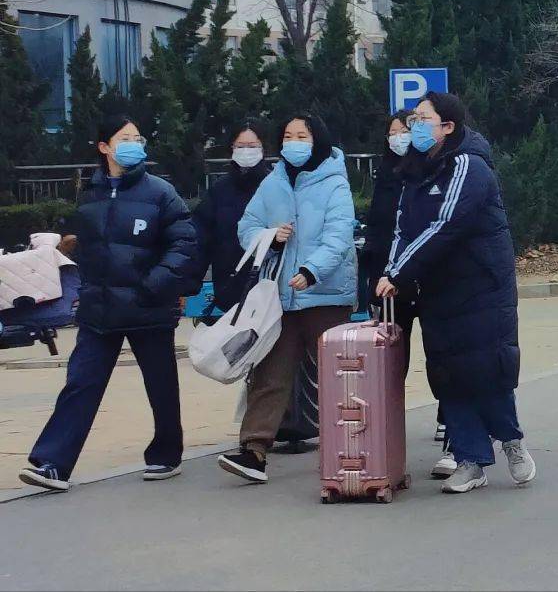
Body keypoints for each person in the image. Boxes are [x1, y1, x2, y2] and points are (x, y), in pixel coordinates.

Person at [20, 116, 199, 492]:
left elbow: (184, 243)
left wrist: (155, 284)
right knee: (81, 383)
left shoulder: (161, 193)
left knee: (161, 384)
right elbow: (86, 247)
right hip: (98, 309)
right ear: (104, 147)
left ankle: (166, 454)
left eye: (137, 138)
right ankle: (53, 462)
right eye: (124, 138)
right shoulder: (90, 195)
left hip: (148, 307)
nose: (133, 144)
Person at [374, 92, 535, 495]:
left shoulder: (469, 166)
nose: (415, 128)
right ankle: (470, 460)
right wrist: (391, 271)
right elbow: (402, 228)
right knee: (449, 374)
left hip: (481, 288)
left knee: (487, 369)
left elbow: (445, 225)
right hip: (439, 290)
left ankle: (511, 440)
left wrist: (399, 270)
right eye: (413, 120)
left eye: (423, 120)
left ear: (448, 127)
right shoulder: (414, 172)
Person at [218, 113, 357, 484]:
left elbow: (339, 236)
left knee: (338, 376)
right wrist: (269, 237)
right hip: (280, 295)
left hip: (325, 295)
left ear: (319, 140)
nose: (294, 142)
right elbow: (246, 226)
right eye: (288, 135)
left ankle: (352, 447)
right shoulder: (272, 183)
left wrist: (312, 270)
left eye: (303, 135)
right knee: (269, 373)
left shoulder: (335, 184)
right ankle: (254, 450)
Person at [364, 111, 457, 480]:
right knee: (390, 360)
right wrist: (375, 276)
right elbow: (377, 231)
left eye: (406, 130)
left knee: (442, 357)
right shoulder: (386, 175)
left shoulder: (437, 171)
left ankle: (451, 424)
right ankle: (383, 431)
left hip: (429, 280)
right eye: (392, 133)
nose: (399, 138)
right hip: (390, 282)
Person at [192, 120, 272, 314]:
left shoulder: (274, 186)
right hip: (229, 287)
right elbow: (201, 238)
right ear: (232, 149)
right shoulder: (219, 190)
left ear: (263, 149)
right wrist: (190, 280)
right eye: (240, 146)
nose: (246, 151)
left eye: (252, 146)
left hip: (269, 288)